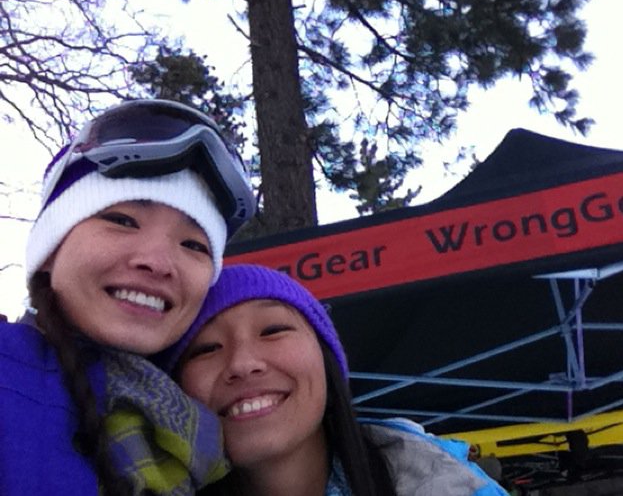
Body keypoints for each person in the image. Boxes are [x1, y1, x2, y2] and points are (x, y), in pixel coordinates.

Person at [0, 99, 256, 495]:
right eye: (122, 221)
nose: (158, 263)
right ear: (50, 250)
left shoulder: (209, 438)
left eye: (193, 245)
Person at [162, 264, 509, 496]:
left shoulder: (450, 485)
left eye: (273, 330)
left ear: (327, 362)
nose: (242, 363)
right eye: (206, 349)